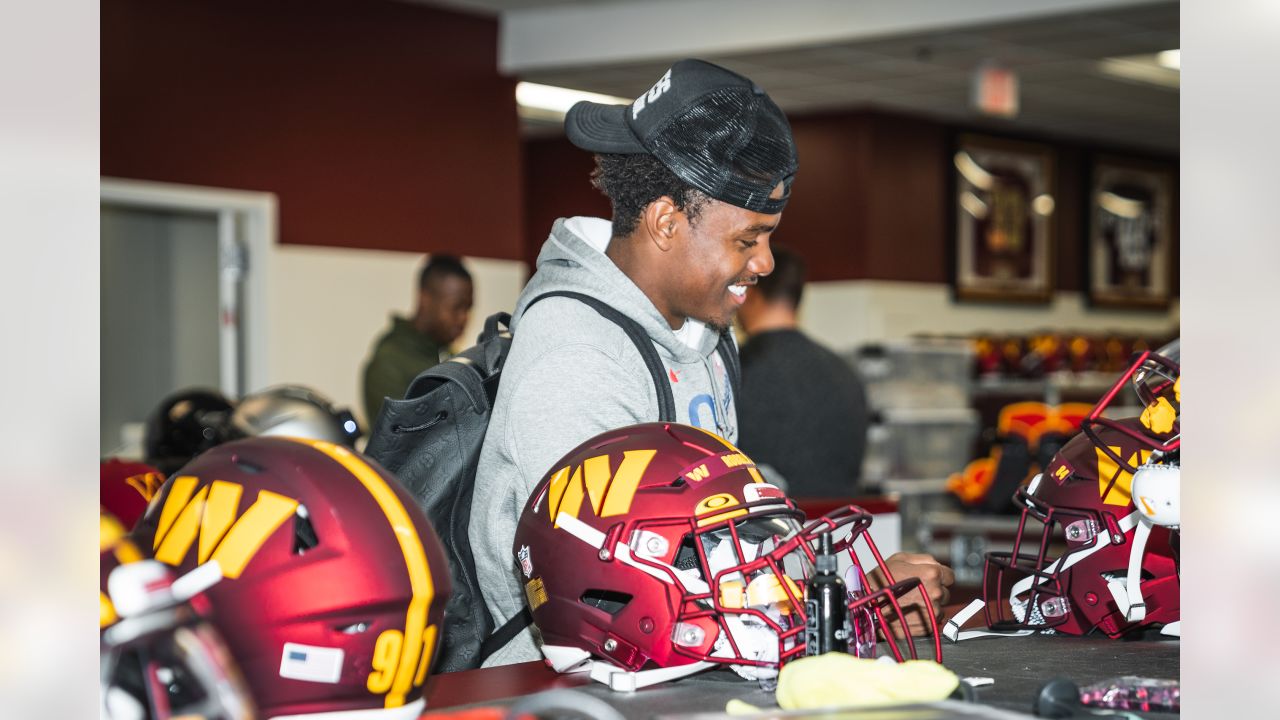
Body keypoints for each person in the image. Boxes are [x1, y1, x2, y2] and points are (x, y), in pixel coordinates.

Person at [469, 58, 952, 667]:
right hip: (568, 688)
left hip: (686, 665)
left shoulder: (706, 332)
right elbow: (619, 584)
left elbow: (723, 534)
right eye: (747, 239)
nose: (766, 263)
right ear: (666, 222)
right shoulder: (576, 357)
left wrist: (842, 586)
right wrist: (849, 595)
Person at [736, 245, 871, 498]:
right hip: (837, 527)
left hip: (771, 529)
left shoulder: (738, 369)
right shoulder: (844, 371)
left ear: (750, 293)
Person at [361, 255, 473, 423]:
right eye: (456, 307)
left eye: (468, 308)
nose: (463, 317)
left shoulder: (449, 356)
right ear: (425, 299)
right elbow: (399, 436)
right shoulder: (390, 361)